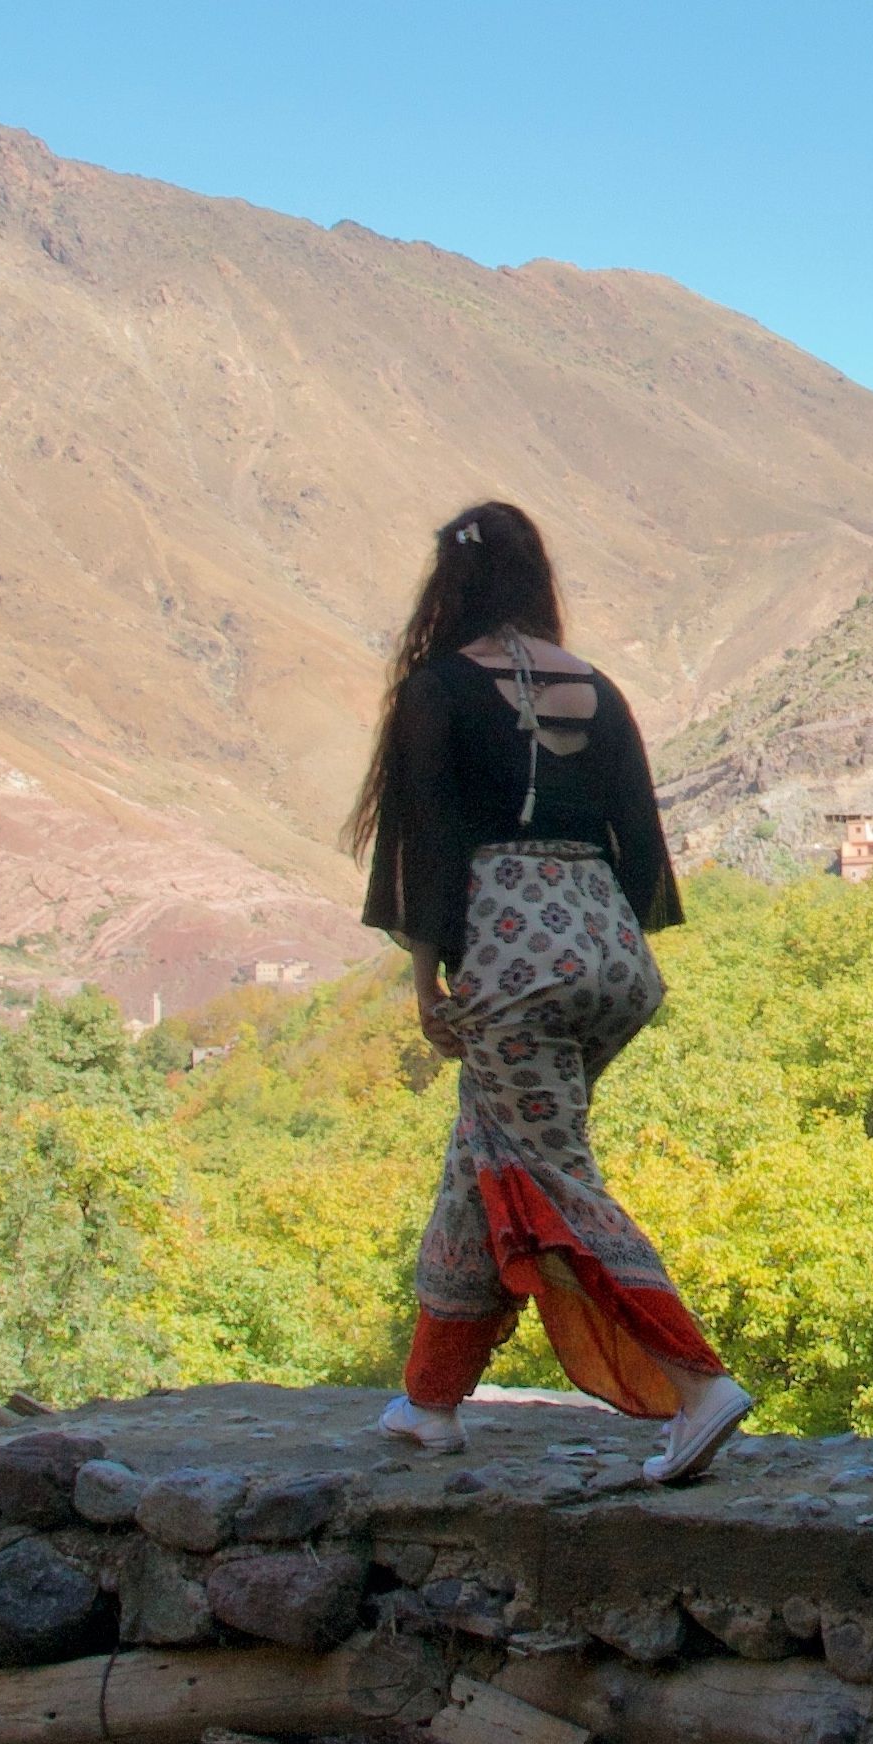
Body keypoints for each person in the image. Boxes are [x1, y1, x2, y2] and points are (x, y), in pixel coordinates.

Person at [348, 499, 752, 1483]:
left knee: (549, 1175)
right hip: (610, 961)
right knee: (490, 1154)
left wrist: (425, 978)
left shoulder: (439, 692)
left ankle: (697, 1386)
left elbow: (433, 847)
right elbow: (638, 852)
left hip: (512, 965)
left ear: (450, 585)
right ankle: (431, 1401)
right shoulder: (600, 692)